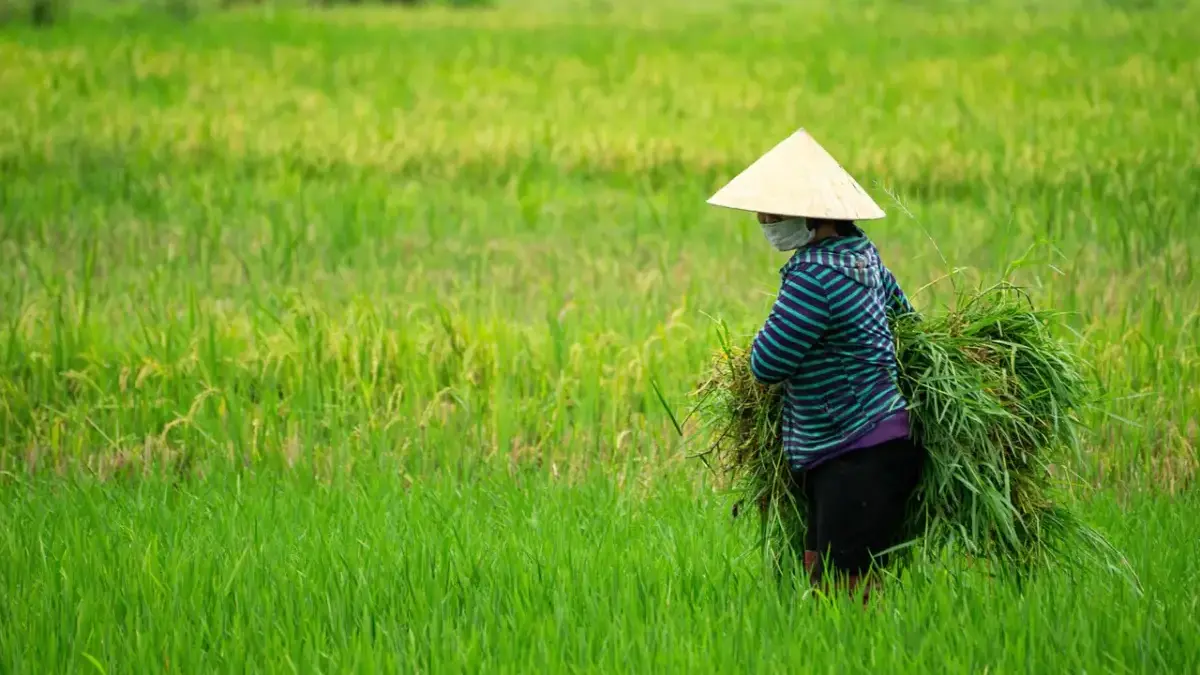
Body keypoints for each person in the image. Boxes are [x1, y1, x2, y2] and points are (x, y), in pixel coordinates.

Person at [707, 129, 924, 602]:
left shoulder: (813, 276)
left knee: (843, 589)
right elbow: (908, 321)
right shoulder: (863, 256)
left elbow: (767, 363)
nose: (763, 220)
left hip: (853, 451)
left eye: (772, 210)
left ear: (813, 214)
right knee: (829, 574)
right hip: (874, 444)